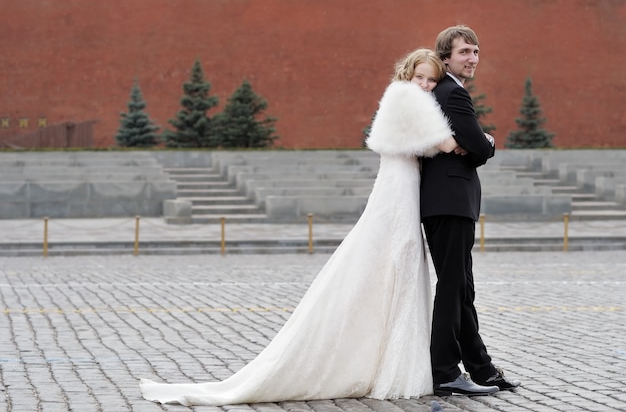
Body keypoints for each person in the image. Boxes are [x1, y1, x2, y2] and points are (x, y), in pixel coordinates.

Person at [140, 48, 456, 406]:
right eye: (421, 77)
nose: (427, 85)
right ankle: (390, 364)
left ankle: (387, 359)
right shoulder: (408, 97)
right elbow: (445, 143)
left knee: (390, 265)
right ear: (408, 74)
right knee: (396, 261)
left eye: (432, 80)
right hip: (399, 191)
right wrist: (481, 140)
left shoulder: (402, 97)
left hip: (399, 186)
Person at [420, 25, 522, 396]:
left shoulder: (443, 92)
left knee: (461, 288)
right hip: (450, 202)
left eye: (476, 52)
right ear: (445, 57)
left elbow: (470, 144)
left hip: (447, 203)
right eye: (464, 52)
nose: (473, 59)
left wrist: (475, 142)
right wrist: (487, 141)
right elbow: (478, 148)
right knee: (452, 289)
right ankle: (445, 370)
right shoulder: (452, 95)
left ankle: (481, 368)